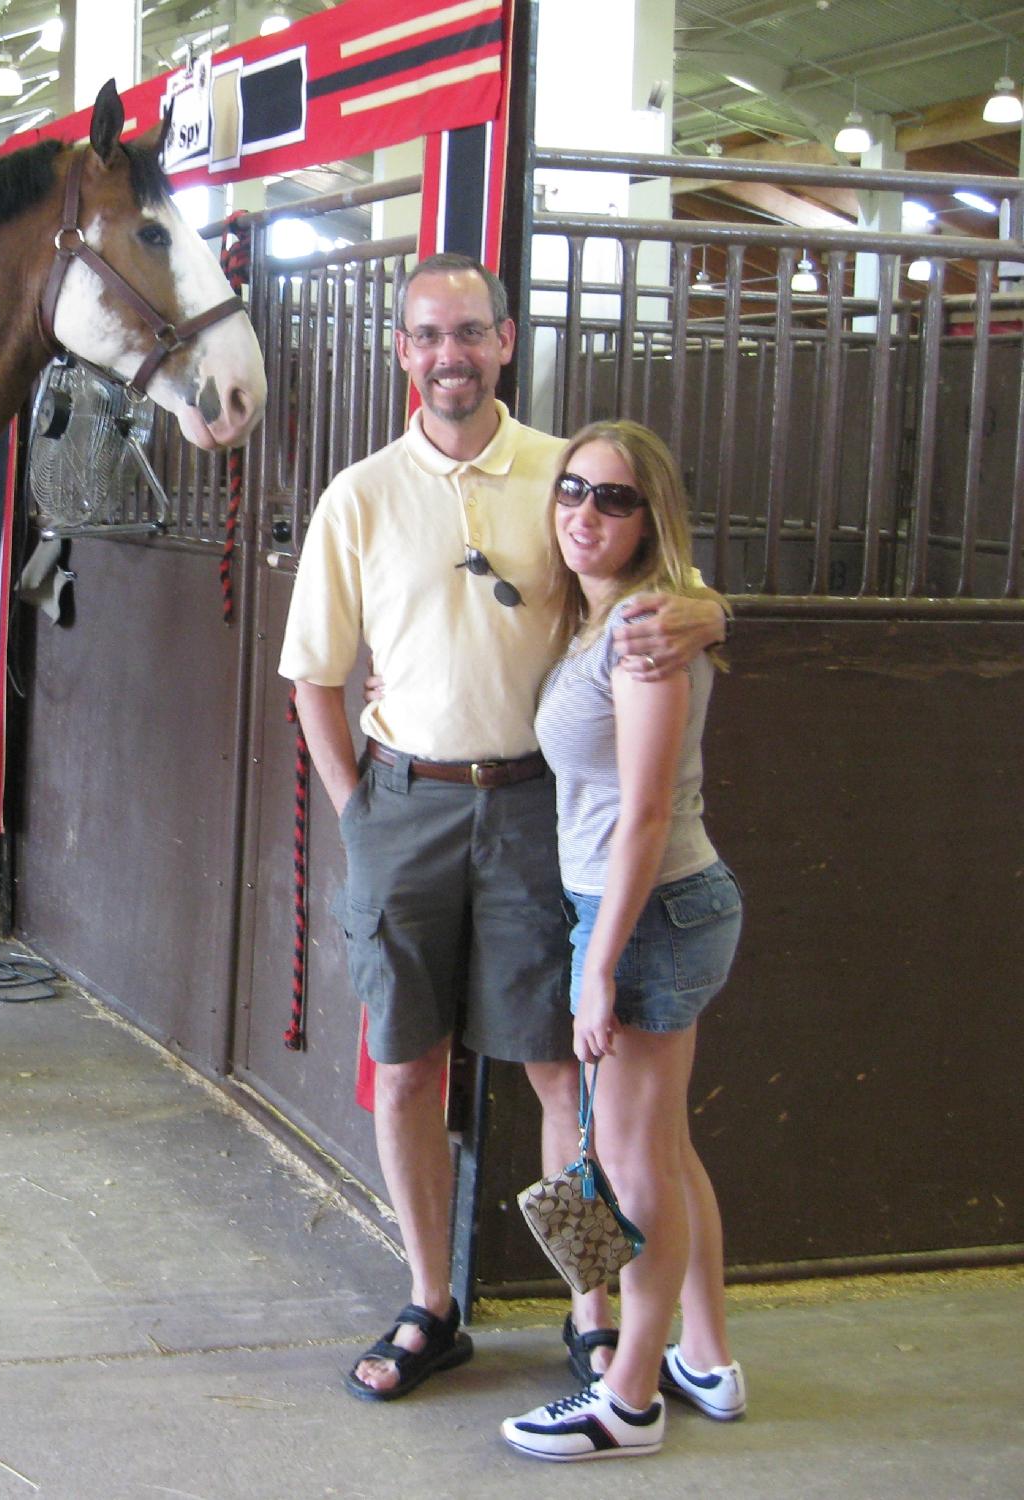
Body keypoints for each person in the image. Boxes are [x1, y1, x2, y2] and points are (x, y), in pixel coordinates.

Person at [278, 254, 726, 1402]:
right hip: (403, 800)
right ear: (400, 351)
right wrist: (359, 813)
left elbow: (650, 569)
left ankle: (591, 1310)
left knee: (555, 1073)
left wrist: (700, 608)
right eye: (426, 335)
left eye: (468, 333)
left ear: (504, 342)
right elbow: (310, 677)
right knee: (405, 1064)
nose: (448, 356)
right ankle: (430, 1301)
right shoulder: (358, 494)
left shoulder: (561, 475)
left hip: (535, 811)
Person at [500, 421, 743, 1461]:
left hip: (642, 912)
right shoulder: (602, 621)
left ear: (650, 522)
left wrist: (597, 965)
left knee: (633, 1162)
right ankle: (706, 1358)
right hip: (641, 907)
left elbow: (643, 812)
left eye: (612, 499)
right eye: (569, 491)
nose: (582, 514)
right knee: (662, 1150)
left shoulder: (644, 631)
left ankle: (628, 1396)